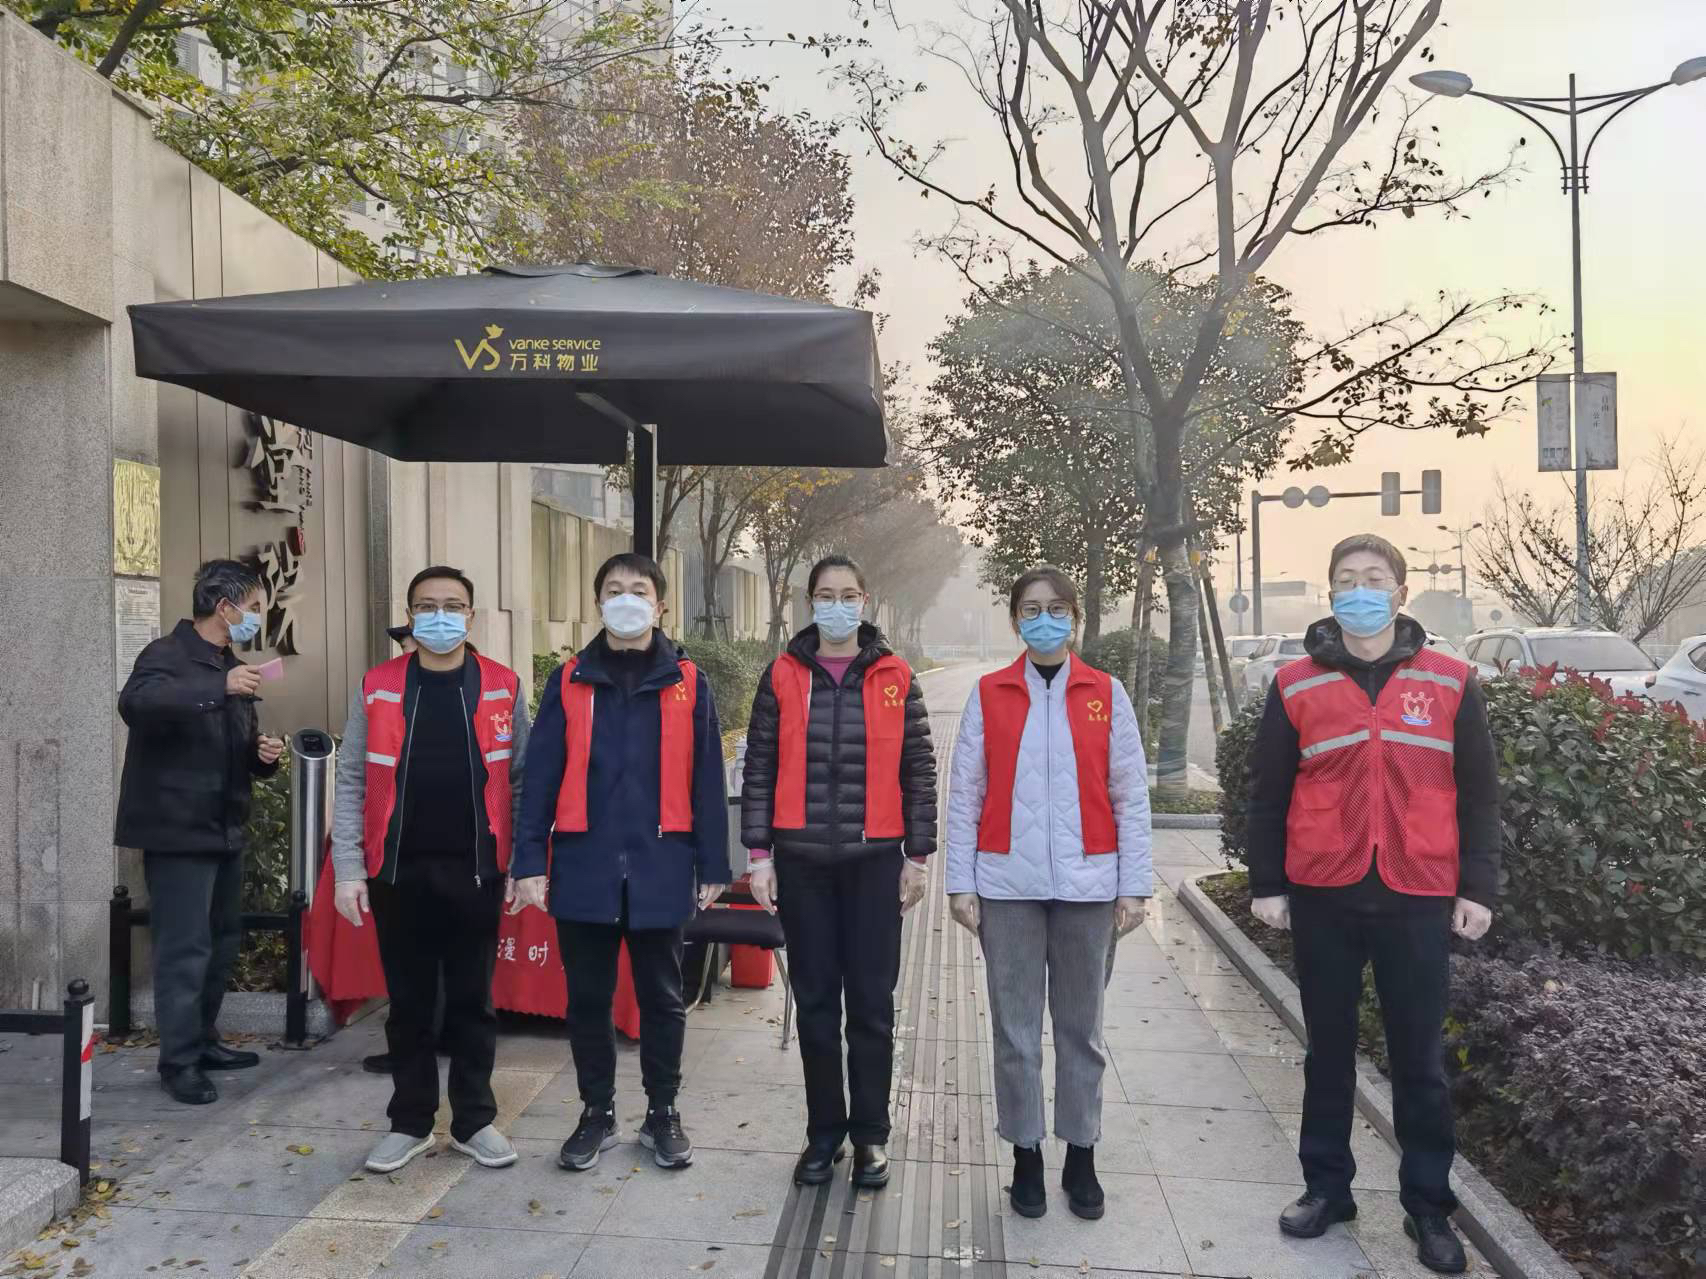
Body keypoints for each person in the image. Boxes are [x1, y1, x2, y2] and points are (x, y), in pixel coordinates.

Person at [1245, 533, 1498, 1276]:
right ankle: (1327, 1187)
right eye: (1347, 579)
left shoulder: (1451, 681)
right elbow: (1269, 793)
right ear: (1331, 594)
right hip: (1325, 890)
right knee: (1327, 1051)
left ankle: (1428, 1204)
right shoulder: (1295, 684)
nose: (1361, 590)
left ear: (1400, 591)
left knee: (1419, 1058)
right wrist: (1267, 883)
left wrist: (1478, 886)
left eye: (1375, 578)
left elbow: (1480, 795)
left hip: (1418, 892)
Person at [510, 553, 731, 1172]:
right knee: (588, 998)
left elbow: (707, 777)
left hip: (663, 860)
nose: (626, 599)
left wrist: (714, 864)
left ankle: (663, 1112)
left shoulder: (688, 680)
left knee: (663, 997)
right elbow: (541, 774)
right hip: (585, 862)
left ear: (660, 605)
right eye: (614, 589)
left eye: (639, 590)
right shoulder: (570, 680)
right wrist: (528, 860)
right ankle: (596, 1112)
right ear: (598, 603)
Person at [944, 566, 1152, 1221]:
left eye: (1056, 608)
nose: (1044, 620)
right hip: (1007, 885)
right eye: (1031, 609)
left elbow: (1130, 793)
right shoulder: (989, 693)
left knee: (1081, 1030)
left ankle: (1081, 1154)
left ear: (1075, 618)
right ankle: (1026, 1154)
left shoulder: (1106, 693)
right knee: (1015, 1031)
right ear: (1015, 621)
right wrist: (961, 882)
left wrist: (1134, 885)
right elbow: (966, 792)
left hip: (1090, 887)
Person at [741, 554, 938, 1190]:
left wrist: (917, 858)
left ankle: (871, 1135)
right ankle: (823, 1133)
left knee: (872, 1007)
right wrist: (760, 856)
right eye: (825, 595)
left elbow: (919, 771)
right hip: (802, 866)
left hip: (874, 865)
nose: (837, 605)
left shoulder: (895, 675)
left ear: (864, 601)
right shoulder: (782, 674)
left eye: (848, 594)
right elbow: (759, 767)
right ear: (810, 603)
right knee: (817, 1005)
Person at [329, 566, 530, 1175]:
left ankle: (474, 1121)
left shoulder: (502, 684)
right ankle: (410, 1121)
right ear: (410, 615)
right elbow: (352, 777)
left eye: (452, 605)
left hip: (477, 870)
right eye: (426, 605)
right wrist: (348, 869)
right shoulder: (379, 685)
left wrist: (524, 864)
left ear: (470, 615)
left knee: (473, 1003)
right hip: (398, 871)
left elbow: (522, 780)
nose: (439, 616)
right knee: (410, 1004)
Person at [115, 560, 286, 1105]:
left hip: (225, 826)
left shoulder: (231, 665)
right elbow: (136, 705)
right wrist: (219, 686)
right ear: (225, 607)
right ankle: (179, 1061)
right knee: (184, 949)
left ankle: (204, 1040)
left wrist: (262, 756)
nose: (257, 617)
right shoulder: (165, 655)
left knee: (220, 943)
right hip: (177, 830)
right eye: (253, 607)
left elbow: (235, 746)